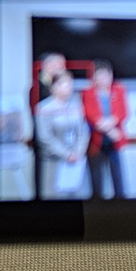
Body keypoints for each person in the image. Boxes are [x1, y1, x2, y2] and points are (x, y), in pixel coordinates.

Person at [34, 70, 89, 198]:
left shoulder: (76, 106)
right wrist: (66, 154)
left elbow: (83, 131)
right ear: (54, 87)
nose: (69, 88)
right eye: (65, 85)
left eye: (70, 84)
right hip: (54, 161)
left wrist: (78, 152)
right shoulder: (44, 108)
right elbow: (45, 137)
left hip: (77, 160)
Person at [81, 59, 128, 199]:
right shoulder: (87, 93)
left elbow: (123, 112)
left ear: (111, 75)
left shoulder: (119, 90)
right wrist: (109, 130)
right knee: (96, 182)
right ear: (93, 77)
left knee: (119, 182)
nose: (103, 79)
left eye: (106, 75)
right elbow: (89, 115)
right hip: (96, 141)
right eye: (99, 75)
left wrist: (111, 125)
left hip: (114, 141)